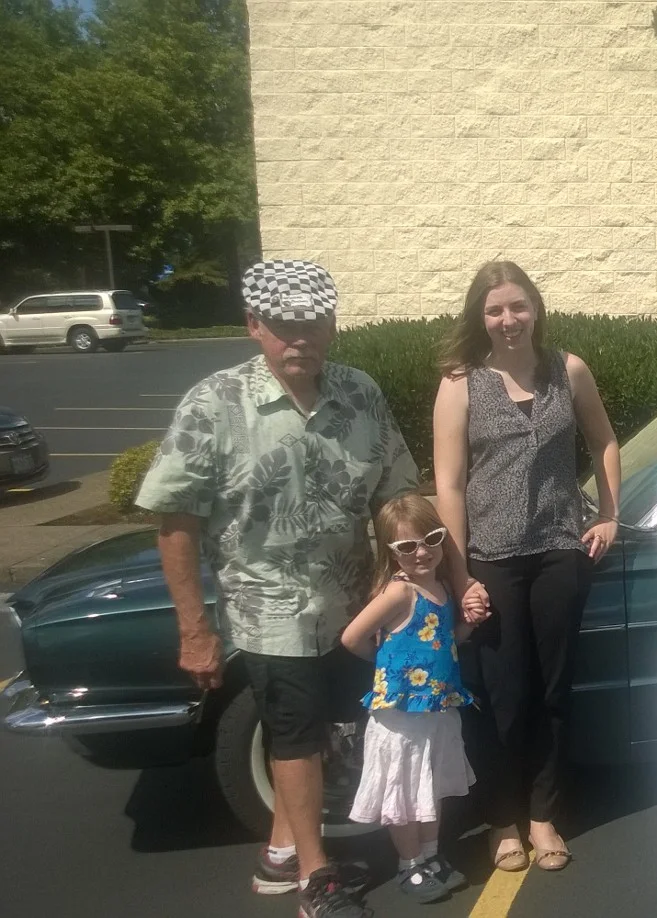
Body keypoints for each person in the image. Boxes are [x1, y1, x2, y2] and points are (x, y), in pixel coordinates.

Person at [136, 259, 419, 918]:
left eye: (314, 324)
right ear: (254, 326)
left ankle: (279, 855)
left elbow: (396, 494)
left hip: (351, 605)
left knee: (338, 727)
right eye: (285, 326)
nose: (301, 339)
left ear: (332, 325)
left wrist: (411, 582)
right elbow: (174, 518)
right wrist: (194, 629)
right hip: (269, 608)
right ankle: (316, 881)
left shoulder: (360, 394)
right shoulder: (215, 404)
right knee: (294, 735)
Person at [432, 261, 622, 872]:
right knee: (501, 697)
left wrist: (611, 513)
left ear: (535, 309)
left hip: (559, 553)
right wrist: (460, 575)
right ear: (479, 318)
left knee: (553, 691)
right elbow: (449, 485)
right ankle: (502, 818)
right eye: (494, 311)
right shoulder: (460, 384)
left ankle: (543, 817)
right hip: (490, 561)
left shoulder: (569, 371)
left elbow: (605, 441)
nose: (507, 320)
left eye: (517, 307)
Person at [341, 494, 477, 905]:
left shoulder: (439, 587)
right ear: (391, 552)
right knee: (401, 793)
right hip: (400, 716)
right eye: (406, 547)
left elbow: (446, 640)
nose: (422, 552)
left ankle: (431, 856)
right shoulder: (398, 593)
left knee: (428, 787)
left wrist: (470, 624)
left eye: (431, 539)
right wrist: (384, 666)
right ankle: (409, 864)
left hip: (436, 709)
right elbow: (351, 638)